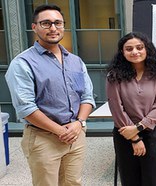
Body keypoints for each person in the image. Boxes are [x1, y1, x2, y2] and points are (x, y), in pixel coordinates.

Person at [5, 4, 95, 186]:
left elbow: (87, 97)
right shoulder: (23, 63)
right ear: (34, 27)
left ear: (63, 26)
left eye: (57, 23)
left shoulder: (75, 61)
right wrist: (60, 131)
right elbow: (26, 108)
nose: (53, 28)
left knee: (73, 183)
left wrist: (79, 123)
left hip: (75, 135)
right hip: (43, 138)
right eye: (46, 23)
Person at [106, 32, 156, 186]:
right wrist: (134, 137)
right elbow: (116, 108)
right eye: (129, 49)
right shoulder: (114, 76)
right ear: (122, 52)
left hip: (151, 133)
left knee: (153, 180)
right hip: (124, 133)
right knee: (130, 179)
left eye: (139, 47)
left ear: (147, 49)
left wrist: (138, 128)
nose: (135, 52)